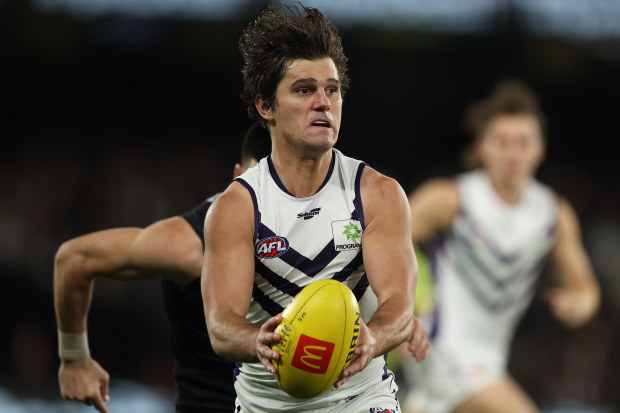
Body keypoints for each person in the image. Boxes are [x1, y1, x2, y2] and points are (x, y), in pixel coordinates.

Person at [201, 3, 428, 412]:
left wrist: (373, 338)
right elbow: (221, 325)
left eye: (333, 89)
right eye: (304, 90)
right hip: (264, 406)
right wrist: (258, 341)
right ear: (266, 106)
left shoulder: (377, 194)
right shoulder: (237, 207)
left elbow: (399, 302)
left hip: (360, 399)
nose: (323, 102)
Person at [400, 79, 601, 413]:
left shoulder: (554, 215)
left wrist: (579, 303)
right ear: (482, 147)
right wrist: (406, 305)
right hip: (439, 350)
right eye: (502, 141)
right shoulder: (451, 199)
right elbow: (382, 243)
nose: (512, 152)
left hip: (489, 361)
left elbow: (586, 289)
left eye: (523, 142)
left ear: (540, 149)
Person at [54, 121, 272, 413]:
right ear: (237, 177)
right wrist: (74, 358)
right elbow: (74, 258)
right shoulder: (189, 245)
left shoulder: (329, 229)